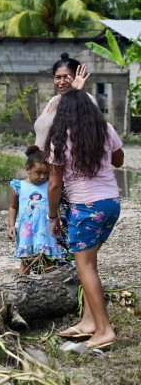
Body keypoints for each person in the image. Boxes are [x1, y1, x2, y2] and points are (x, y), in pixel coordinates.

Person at [46, 89, 123, 349]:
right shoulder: (106, 129)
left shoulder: (59, 139)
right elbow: (119, 160)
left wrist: (53, 215)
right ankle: (90, 322)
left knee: (85, 267)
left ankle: (104, 329)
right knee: (89, 264)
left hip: (85, 208)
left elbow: (55, 184)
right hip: (111, 204)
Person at [33, 53, 93, 259]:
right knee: (45, 226)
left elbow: (85, 134)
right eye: (58, 77)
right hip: (44, 175)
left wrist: (77, 93)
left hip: (68, 177)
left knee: (68, 228)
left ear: (78, 77)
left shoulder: (86, 101)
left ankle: (73, 276)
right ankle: (51, 274)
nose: (62, 81)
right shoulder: (52, 101)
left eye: (67, 76)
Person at [8, 146, 63, 275]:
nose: (42, 176)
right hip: (27, 231)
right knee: (26, 261)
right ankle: (22, 286)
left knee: (48, 260)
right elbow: (13, 207)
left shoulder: (50, 186)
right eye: (38, 172)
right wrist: (11, 225)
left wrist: (58, 220)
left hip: (46, 230)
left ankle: (52, 288)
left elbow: (54, 205)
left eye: (46, 173)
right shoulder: (19, 186)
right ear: (28, 169)